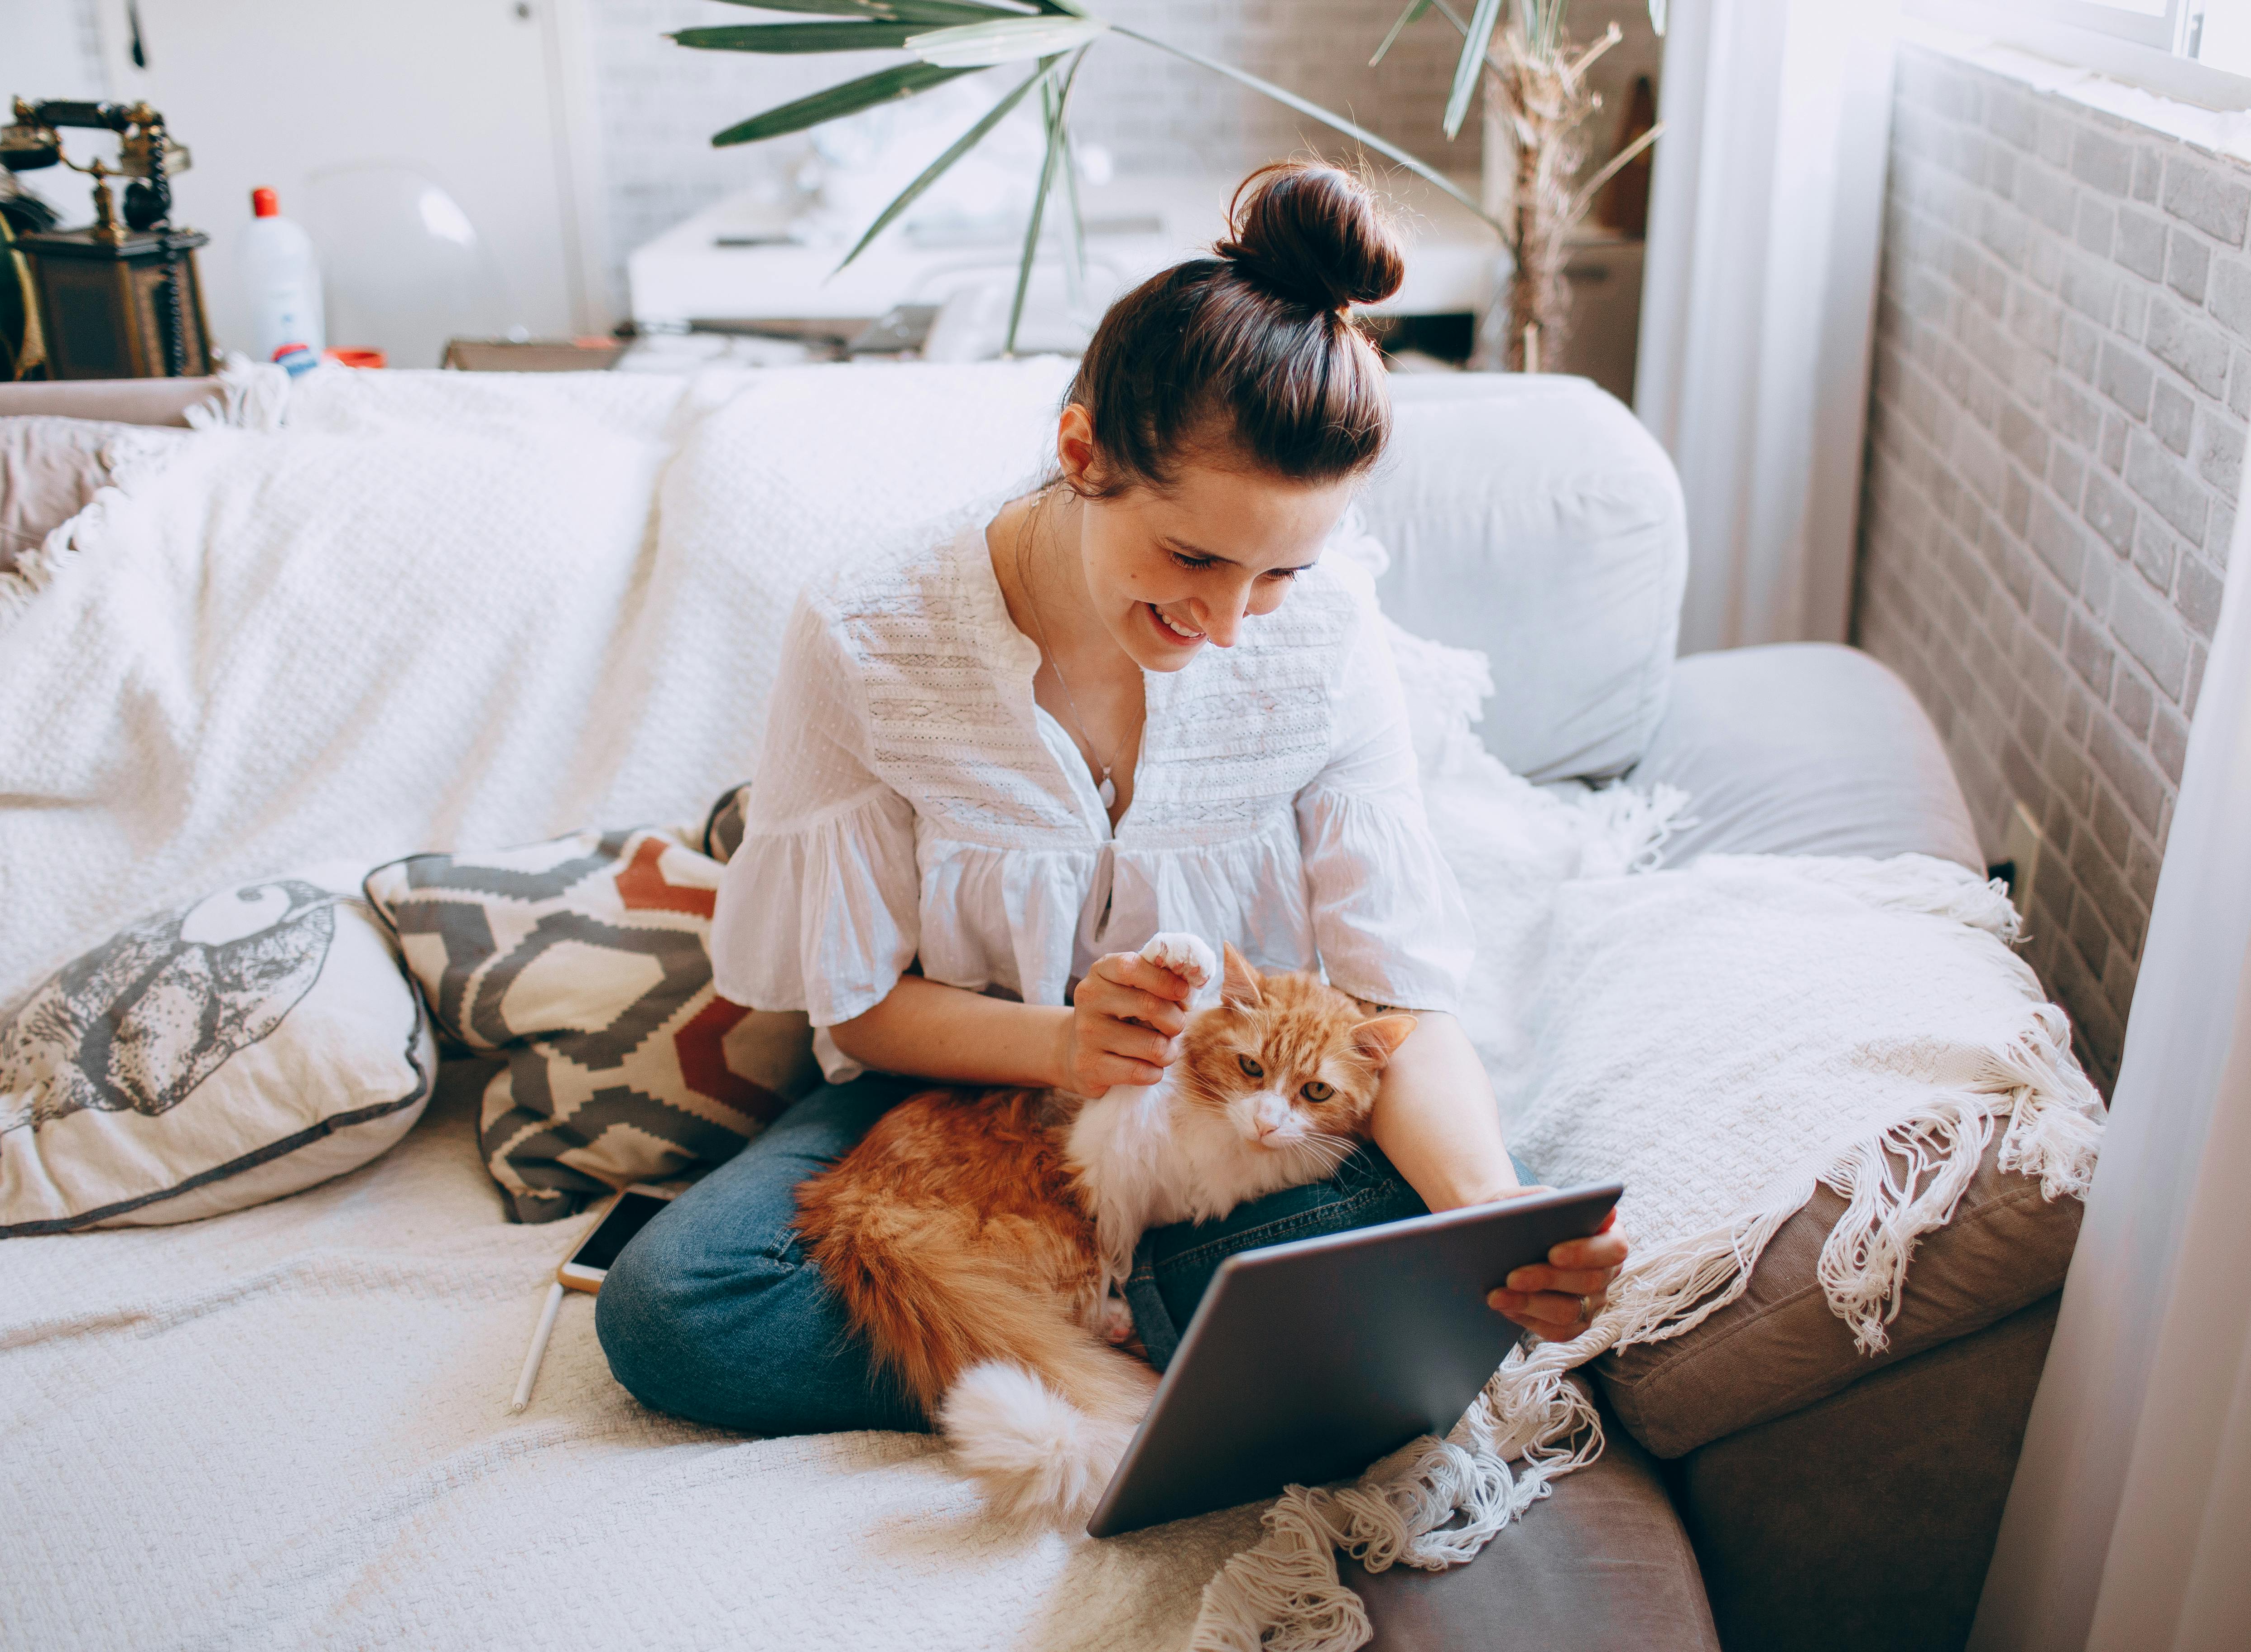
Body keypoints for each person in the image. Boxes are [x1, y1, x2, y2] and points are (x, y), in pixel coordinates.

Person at [596, 161, 1628, 1437]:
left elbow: (1398, 1004)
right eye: (1193, 556)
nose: (1229, 624)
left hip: (1237, 1111)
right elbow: (859, 1012)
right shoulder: (871, 632)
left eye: (1281, 575)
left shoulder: (1329, 640)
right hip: (949, 1102)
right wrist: (1064, 1049)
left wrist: (1487, 1223)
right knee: (676, 1310)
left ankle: (1113, 1328)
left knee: (1460, 1210)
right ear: (1083, 452)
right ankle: (1214, 1329)